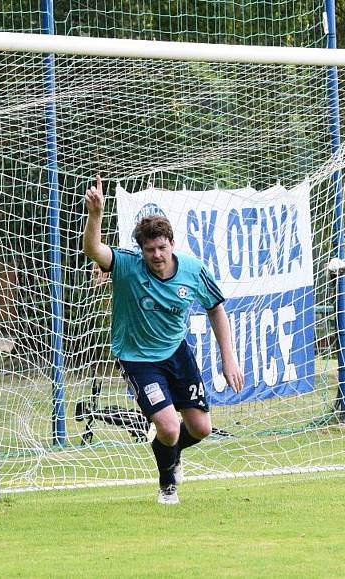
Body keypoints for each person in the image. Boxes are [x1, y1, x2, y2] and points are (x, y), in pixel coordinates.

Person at [84, 175, 244, 505]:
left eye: (162, 247)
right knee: (170, 427)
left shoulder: (193, 269)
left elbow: (216, 308)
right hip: (137, 358)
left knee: (200, 428)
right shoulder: (127, 265)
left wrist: (229, 358)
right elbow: (94, 249)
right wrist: (96, 215)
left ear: (172, 243)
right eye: (149, 250)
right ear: (140, 250)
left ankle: (166, 451)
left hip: (176, 352)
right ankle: (167, 483)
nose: (156, 255)